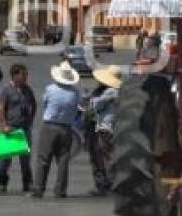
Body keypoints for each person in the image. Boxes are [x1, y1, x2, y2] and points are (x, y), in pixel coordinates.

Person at [31, 62, 80, 198]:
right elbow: (76, 108)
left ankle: (39, 188)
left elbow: (45, 103)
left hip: (50, 126)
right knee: (63, 159)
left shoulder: (50, 89)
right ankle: (60, 190)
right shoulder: (75, 92)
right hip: (66, 128)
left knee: (43, 158)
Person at [0, 64, 37, 194]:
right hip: (11, 128)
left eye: (26, 75)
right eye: (23, 75)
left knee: (25, 160)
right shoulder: (6, 90)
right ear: (15, 75)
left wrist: (31, 119)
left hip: (24, 128)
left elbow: (34, 104)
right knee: (5, 160)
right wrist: (4, 124)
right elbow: (0, 108)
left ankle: (27, 183)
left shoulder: (27, 89)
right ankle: (2, 183)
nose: (26, 77)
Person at [86, 65, 123, 196]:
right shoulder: (119, 91)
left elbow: (96, 106)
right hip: (112, 127)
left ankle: (110, 184)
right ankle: (110, 183)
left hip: (105, 127)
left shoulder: (111, 92)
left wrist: (91, 101)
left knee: (106, 157)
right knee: (108, 156)